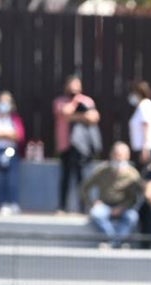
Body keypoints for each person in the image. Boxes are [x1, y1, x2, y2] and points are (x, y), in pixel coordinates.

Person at [53, 74, 101, 213]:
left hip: (82, 146)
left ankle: (83, 207)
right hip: (65, 145)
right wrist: (76, 104)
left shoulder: (87, 101)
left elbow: (93, 117)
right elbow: (65, 114)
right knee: (65, 177)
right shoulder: (60, 101)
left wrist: (78, 115)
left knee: (82, 178)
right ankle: (62, 206)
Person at [79, 141, 142, 248]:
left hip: (123, 207)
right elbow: (84, 188)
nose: (118, 158)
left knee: (132, 217)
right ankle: (116, 242)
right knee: (96, 214)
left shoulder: (133, 174)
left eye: (121, 155)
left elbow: (137, 197)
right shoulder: (102, 170)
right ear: (111, 154)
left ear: (127, 156)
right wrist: (91, 203)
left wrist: (123, 207)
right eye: (116, 154)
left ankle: (111, 243)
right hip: (105, 205)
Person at [127, 80, 151, 169]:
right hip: (142, 147)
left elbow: (146, 126)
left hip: (146, 148)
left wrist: (145, 148)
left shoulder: (145, 106)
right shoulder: (143, 106)